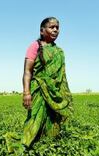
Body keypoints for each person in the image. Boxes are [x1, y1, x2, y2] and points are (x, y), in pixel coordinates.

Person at [21, 17, 73, 148]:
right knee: (34, 119)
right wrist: (26, 92)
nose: (55, 30)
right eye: (51, 27)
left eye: (57, 27)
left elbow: (61, 76)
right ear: (42, 30)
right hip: (38, 89)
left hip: (54, 92)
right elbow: (27, 71)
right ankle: (26, 146)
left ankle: (48, 146)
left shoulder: (59, 51)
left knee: (52, 120)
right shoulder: (35, 46)